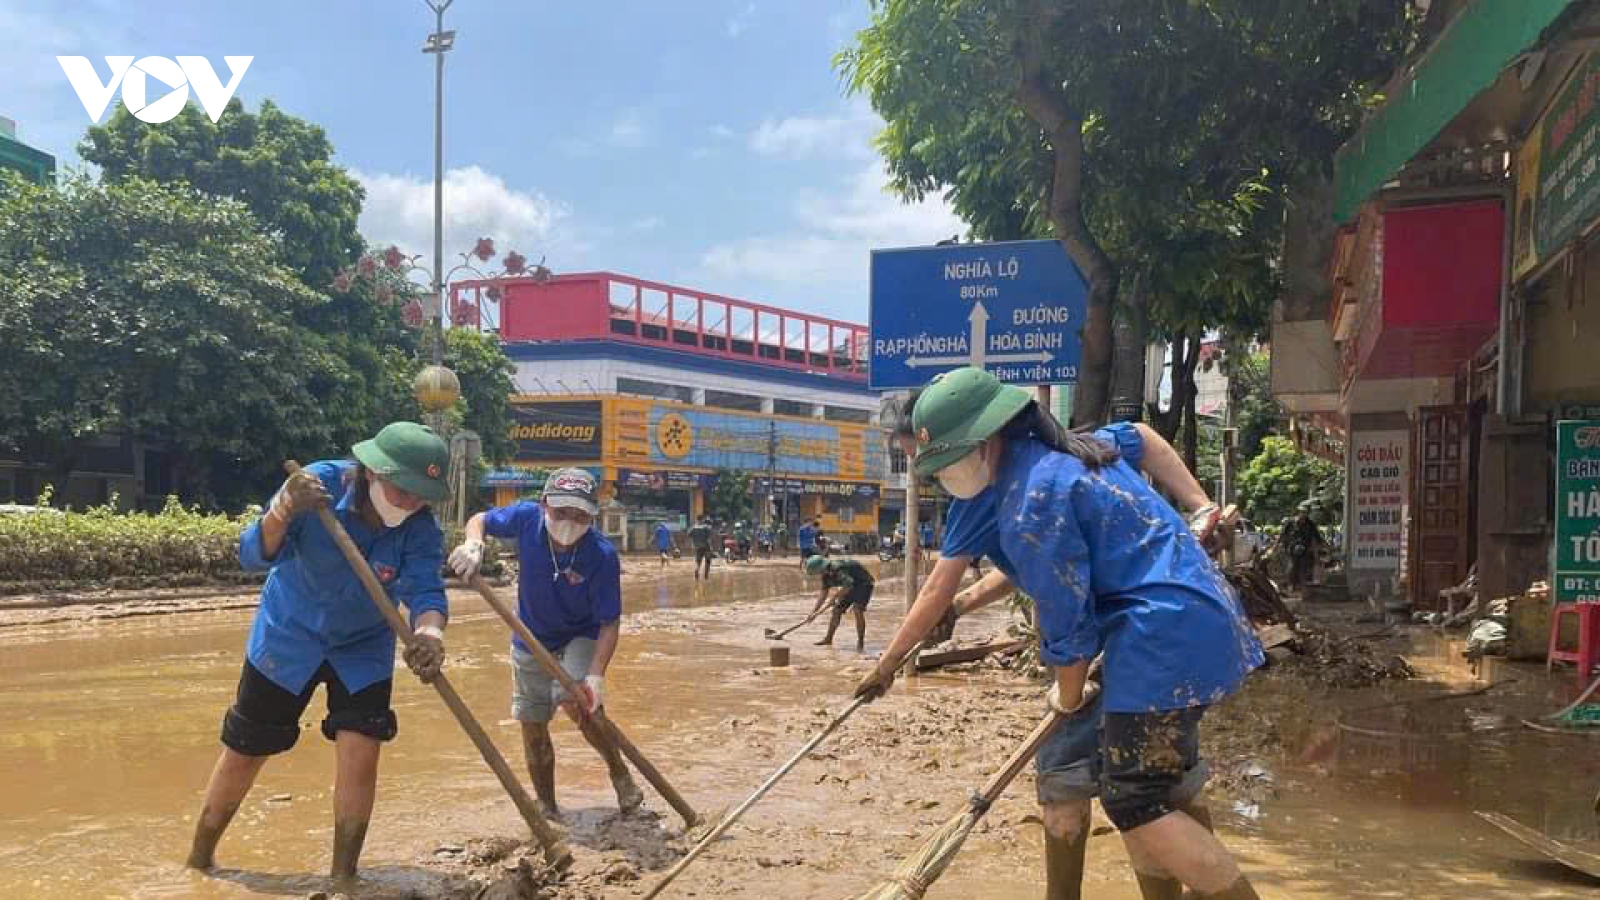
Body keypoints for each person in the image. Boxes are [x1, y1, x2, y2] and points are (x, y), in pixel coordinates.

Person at [860, 369, 1261, 900]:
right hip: (1197, 621)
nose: (935, 474)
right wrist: (1200, 504)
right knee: (1153, 790)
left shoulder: (1032, 497)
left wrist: (1066, 695)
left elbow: (1065, 622)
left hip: (1155, 639)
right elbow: (1133, 450)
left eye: (938, 460)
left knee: (1134, 802)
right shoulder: (1064, 456)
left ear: (984, 439)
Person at [186, 422, 452, 882]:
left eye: (420, 495)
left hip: (364, 644)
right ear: (370, 472)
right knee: (246, 749)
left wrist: (430, 635)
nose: (410, 502)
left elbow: (426, 591)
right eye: (402, 490)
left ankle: (344, 876)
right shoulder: (317, 486)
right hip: (290, 634)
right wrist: (284, 509)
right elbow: (252, 555)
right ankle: (200, 859)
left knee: (362, 751)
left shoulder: (420, 529)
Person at [449, 468, 643, 819]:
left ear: (591, 517)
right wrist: (474, 544)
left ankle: (619, 772)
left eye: (580, 515)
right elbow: (479, 519)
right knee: (533, 725)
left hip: (580, 635)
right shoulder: (525, 519)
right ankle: (548, 808)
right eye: (561, 512)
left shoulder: (600, 555)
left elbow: (609, 623)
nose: (569, 522)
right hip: (529, 636)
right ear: (544, 506)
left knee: (579, 705)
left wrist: (595, 675)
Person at [804, 553, 874, 651]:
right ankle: (828, 639)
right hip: (849, 586)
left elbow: (849, 584)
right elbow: (823, 593)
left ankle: (860, 642)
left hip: (864, 584)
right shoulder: (825, 575)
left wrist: (834, 598)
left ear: (821, 569)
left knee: (857, 610)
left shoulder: (837, 568)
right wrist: (814, 612)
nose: (818, 575)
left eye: (817, 573)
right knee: (836, 610)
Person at [1283, 502, 1325, 592]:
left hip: (1306, 550)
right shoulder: (1290, 523)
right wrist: (1275, 547)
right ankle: (1291, 585)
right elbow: (1282, 536)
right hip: (1292, 549)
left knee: (1305, 568)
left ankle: (1304, 587)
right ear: (1298, 512)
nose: (1303, 514)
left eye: (1305, 513)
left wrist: (1316, 552)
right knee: (1292, 567)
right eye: (1302, 512)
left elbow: (1315, 539)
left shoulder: (1310, 524)